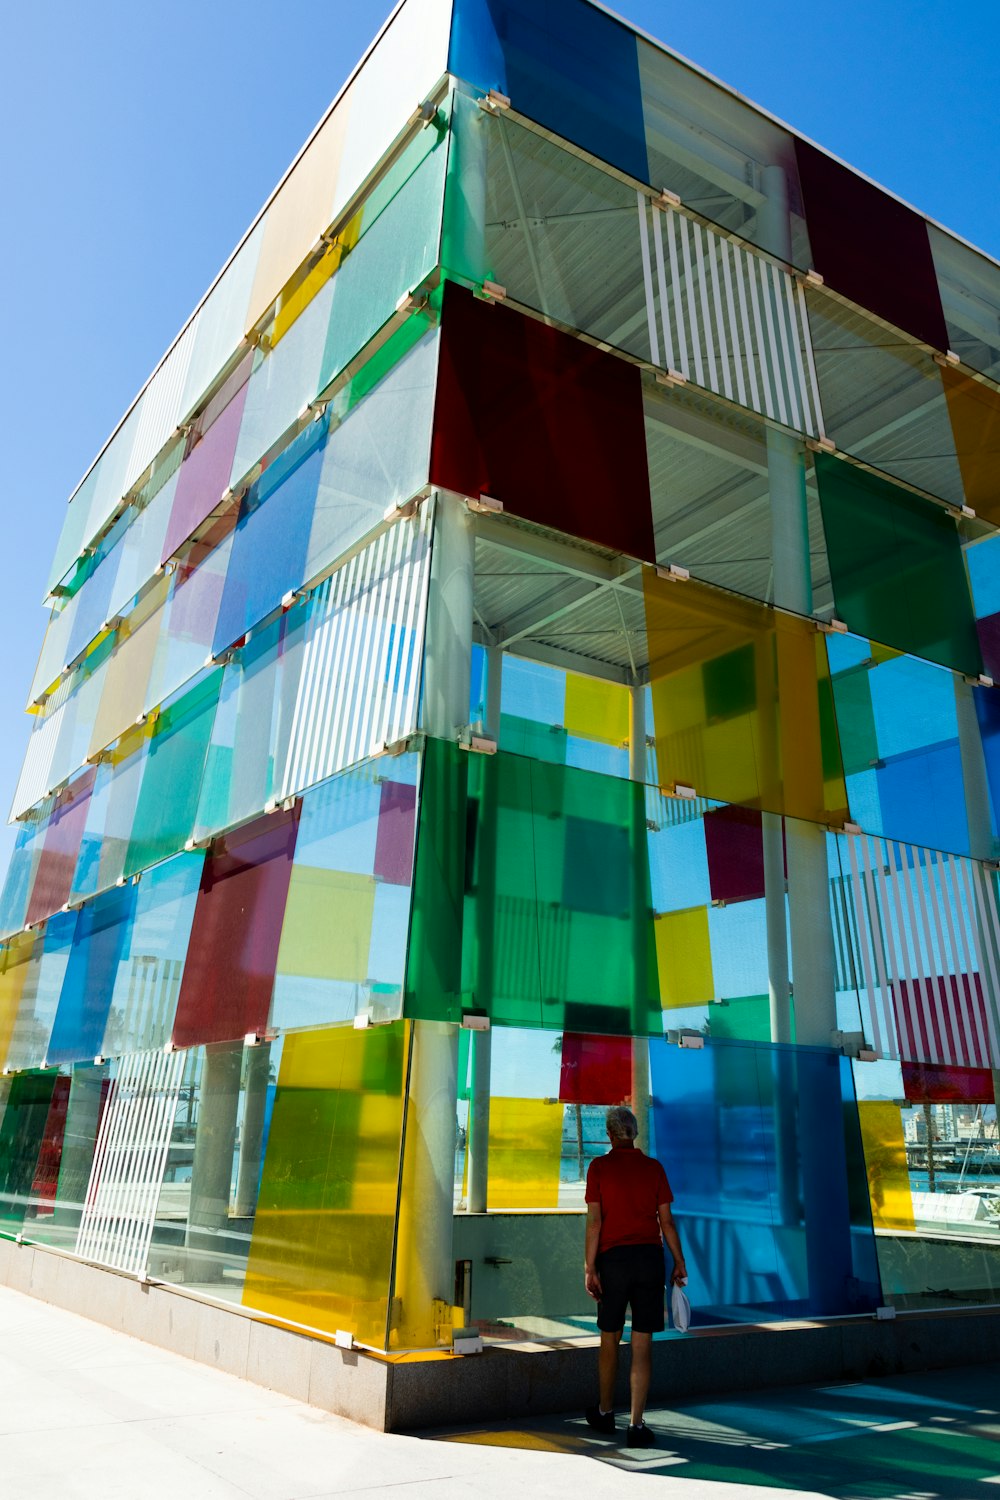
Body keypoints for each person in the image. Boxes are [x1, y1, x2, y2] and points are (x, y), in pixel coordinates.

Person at [583, 1105, 686, 1448]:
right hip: (649, 1260)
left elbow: (596, 1223)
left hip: (613, 1261)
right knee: (642, 1345)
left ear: (610, 1135)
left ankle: (605, 1412)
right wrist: (679, 1261)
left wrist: (590, 1267)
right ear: (635, 1134)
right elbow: (666, 1222)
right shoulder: (654, 1168)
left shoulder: (599, 1168)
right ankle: (637, 1425)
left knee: (609, 1338)